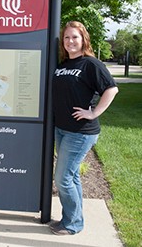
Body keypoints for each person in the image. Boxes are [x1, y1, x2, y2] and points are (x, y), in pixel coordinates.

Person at [50, 21, 118, 235]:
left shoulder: (90, 64)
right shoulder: (63, 65)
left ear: (83, 40)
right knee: (72, 177)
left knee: (62, 179)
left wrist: (94, 112)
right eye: (67, 37)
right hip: (62, 129)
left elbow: (111, 89)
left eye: (75, 37)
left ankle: (72, 223)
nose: (70, 41)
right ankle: (73, 219)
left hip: (80, 132)